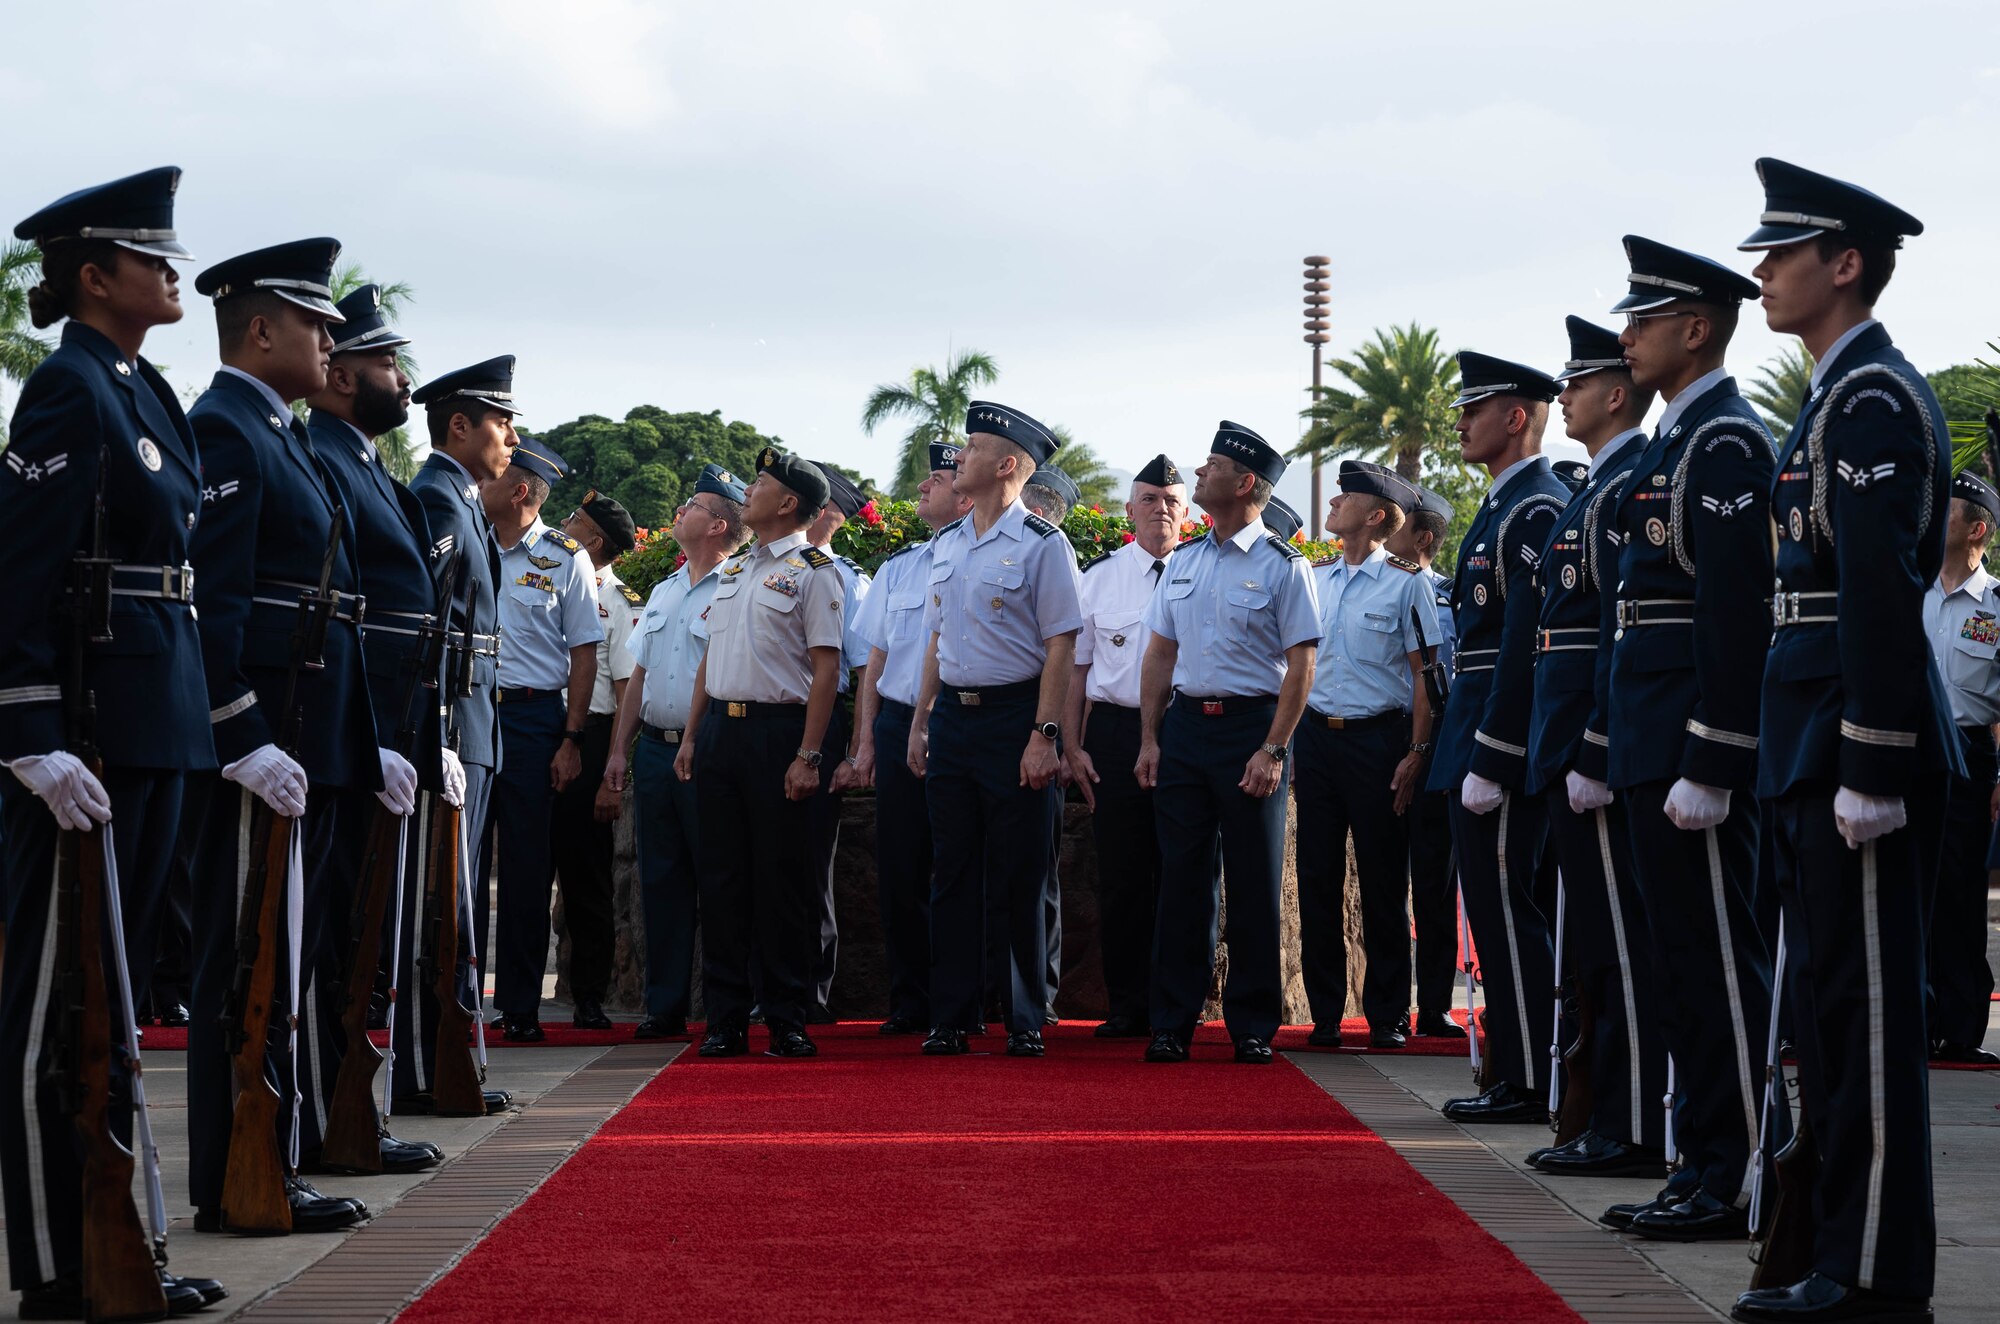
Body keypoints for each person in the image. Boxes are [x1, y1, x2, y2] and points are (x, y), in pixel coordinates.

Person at [0, 166, 228, 1316]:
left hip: (158, 722)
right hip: (87, 737)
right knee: (55, 1014)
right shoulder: (67, 391)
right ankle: (52, 1265)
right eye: (151, 257)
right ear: (96, 276)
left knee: (117, 1002)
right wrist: (30, 733)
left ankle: (117, 1238)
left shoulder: (147, 391)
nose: (171, 272)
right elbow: (20, 573)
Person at [1735, 161, 1955, 1323]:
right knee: (1826, 1010)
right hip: (1806, 731)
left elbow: (1875, 588)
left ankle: (1872, 1274)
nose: (1761, 272)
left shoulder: (1869, 398)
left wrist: (1871, 756)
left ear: (1845, 263)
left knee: (1865, 1020)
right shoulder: (1830, 398)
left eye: (1779, 254)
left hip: (1848, 737)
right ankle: (1834, 1250)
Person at [1580, 236, 1777, 1244]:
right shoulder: (1673, 442)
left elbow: (1733, 615)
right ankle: (1703, 1158)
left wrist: (1712, 754)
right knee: (1678, 969)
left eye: (1642, 321)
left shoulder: (1723, 442)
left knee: (1713, 969)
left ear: (1692, 330)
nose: (1625, 337)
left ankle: (1736, 1168)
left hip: (1689, 750)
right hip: (1649, 744)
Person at [183, 237, 374, 1234]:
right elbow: (207, 600)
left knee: (282, 957)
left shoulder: (279, 432)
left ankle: (272, 1160)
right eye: (313, 321)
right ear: (261, 330)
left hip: (304, 737)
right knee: (247, 957)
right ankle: (237, 1170)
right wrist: (241, 731)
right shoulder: (226, 429)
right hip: (264, 741)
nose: (330, 337)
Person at [300, 283, 450, 1174]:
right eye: (385, 363)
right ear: (342, 373)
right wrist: (376, 734)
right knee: (337, 940)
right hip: (353, 734)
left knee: (366, 937)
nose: (400, 379)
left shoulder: (362, 464)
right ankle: (331, 1118)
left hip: (382, 735)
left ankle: (354, 1109)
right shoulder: (324, 454)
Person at [1520, 316, 1665, 1178]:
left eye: (1575, 385)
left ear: (1615, 395)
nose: (1562, 397)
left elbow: (1620, 634)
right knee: (1596, 953)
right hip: (1571, 744)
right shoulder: (1594, 490)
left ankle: (1636, 1120)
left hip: (1598, 748)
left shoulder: (1627, 484)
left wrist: (1598, 746)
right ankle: (1610, 1110)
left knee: (1620, 949)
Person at [1137, 422, 1319, 1065]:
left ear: (1245, 483)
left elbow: (1301, 665)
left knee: (1252, 880)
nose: (1199, 471)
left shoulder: (1284, 565)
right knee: (1181, 881)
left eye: (1211, 465)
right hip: (1187, 728)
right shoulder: (1183, 561)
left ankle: (1250, 1024)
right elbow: (1160, 654)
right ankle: (1171, 1022)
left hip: (1252, 729)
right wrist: (1151, 738)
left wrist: (1274, 749)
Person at [907, 402, 1082, 1058]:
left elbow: (1061, 645)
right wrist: (922, 722)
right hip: (955, 715)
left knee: (1020, 870)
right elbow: (937, 639)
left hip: (1016, 717)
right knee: (951, 869)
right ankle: (951, 1016)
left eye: (975, 447)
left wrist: (1046, 734)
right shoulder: (947, 544)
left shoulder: (1043, 544)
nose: (961, 457)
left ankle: (1023, 1016)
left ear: (1006, 465)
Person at [1428, 353, 1568, 1122]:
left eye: (1474, 409)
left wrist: (1497, 751)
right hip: (1473, 721)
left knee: (1512, 910)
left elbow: (1523, 644)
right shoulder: (1501, 504)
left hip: (1497, 733)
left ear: (1514, 417)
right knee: (1491, 909)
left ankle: (1530, 1076)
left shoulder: (1534, 508)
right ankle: (1514, 1068)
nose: (1460, 422)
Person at [679, 449, 846, 1058]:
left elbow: (827, 669)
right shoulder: (733, 569)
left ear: (788, 504)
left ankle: (786, 1016)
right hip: (724, 731)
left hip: (781, 735)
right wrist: (694, 736)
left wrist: (809, 753)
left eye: (762, 482)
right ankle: (725, 1019)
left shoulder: (815, 570)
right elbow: (709, 663)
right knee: (722, 882)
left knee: (783, 881)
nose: (749, 490)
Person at [396, 356, 515, 1116]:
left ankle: (451, 1062)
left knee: (461, 902)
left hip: (477, 721)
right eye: (501, 420)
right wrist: (434, 727)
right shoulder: (438, 500)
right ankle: (423, 1068)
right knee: (436, 907)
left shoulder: (464, 500)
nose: (511, 435)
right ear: (460, 425)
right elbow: (427, 626)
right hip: (452, 722)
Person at [601, 465, 749, 1039]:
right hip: (656, 753)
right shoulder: (665, 588)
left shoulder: (737, 583)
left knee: (717, 879)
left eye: (693, 504)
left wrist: (690, 739)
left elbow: (716, 678)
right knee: (660, 882)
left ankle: (721, 1011)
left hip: (706, 748)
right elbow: (638, 674)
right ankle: (664, 1007)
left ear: (716, 524)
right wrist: (621, 749)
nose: (679, 510)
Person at [1294, 461, 1437, 1050]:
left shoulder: (1408, 584)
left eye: (1346, 496)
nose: (1333, 501)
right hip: (1318, 740)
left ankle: (1387, 1015)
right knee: (1317, 880)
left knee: (1383, 883)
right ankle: (1326, 1014)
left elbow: (1426, 678)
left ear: (1375, 516)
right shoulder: (1315, 577)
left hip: (1380, 742)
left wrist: (1418, 751)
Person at [838, 444, 972, 1033]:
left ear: (965, 493)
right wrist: (864, 743)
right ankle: (910, 1000)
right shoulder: (898, 567)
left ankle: (962, 1003)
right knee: (901, 867)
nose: (923, 485)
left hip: (962, 722)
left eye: (937, 478)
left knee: (965, 867)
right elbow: (873, 661)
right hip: (896, 724)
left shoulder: (984, 558)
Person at [478, 440, 602, 1042]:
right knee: (462, 865)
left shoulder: (564, 557)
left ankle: (520, 1008)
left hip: (534, 722)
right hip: (471, 714)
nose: (482, 481)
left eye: (497, 474)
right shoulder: (466, 541)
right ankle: (453, 1000)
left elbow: (584, 652)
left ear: (520, 490)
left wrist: (571, 737)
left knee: (527, 868)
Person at [1066, 454, 1186, 1038]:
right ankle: (1128, 1005)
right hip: (1114, 733)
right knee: (1121, 873)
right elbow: (1075, 672)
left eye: (1170, 501)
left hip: (1185, 731)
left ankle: (1174, 1006)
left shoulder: (1199, 571)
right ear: (1129, 510)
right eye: (1149, 499)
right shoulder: (1099, 577)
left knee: (1184, 873)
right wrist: (1071, 743)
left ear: (1186, 512)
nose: (1160, 509)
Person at [552, 490, 641, 1030]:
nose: (563, 524)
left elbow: (628, 686)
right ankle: (514, 1003)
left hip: (594, 739)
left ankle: (589, 995)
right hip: (544, 726)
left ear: (593, 541)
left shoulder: (620, 601)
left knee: (586, 877)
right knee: (527, 870)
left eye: (574, 521)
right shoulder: (546, 579)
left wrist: (614, 772)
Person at [1921, 470, 2000, 1065]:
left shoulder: (1996, 605)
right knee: (1910, 887)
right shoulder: (1910, 590)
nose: (1936, 513)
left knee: (1961, 890)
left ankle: (1962, 1024)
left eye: (1949, 507)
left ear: (1977, 528)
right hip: (1909, 749)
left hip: (1971, 755)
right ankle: (1916, 1017)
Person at [1386, 486, 1466, 1039]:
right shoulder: (1371, 586)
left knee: (1435, 880)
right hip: (1383, 739)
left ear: (1425, 538)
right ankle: (1388, 1006)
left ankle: (1434, 1004)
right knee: (1385, 878)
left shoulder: (1452, 597)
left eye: (1399, 525)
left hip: (1438, 746)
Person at [800, 464, 873, 1020]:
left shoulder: (848, 579)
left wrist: (854, 747)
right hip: (756, 720)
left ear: (828, 514)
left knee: (810, 861)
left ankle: (809, 991)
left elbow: (861, 667)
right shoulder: (752, 568)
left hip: (818, 723)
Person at [1020, 464, 1083, 1020]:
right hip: (974, 721)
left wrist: (1055, 740)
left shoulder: (1050, 552)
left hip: (1036, 724)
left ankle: (1037, 994)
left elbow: (1066, 661)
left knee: (1036, 872)